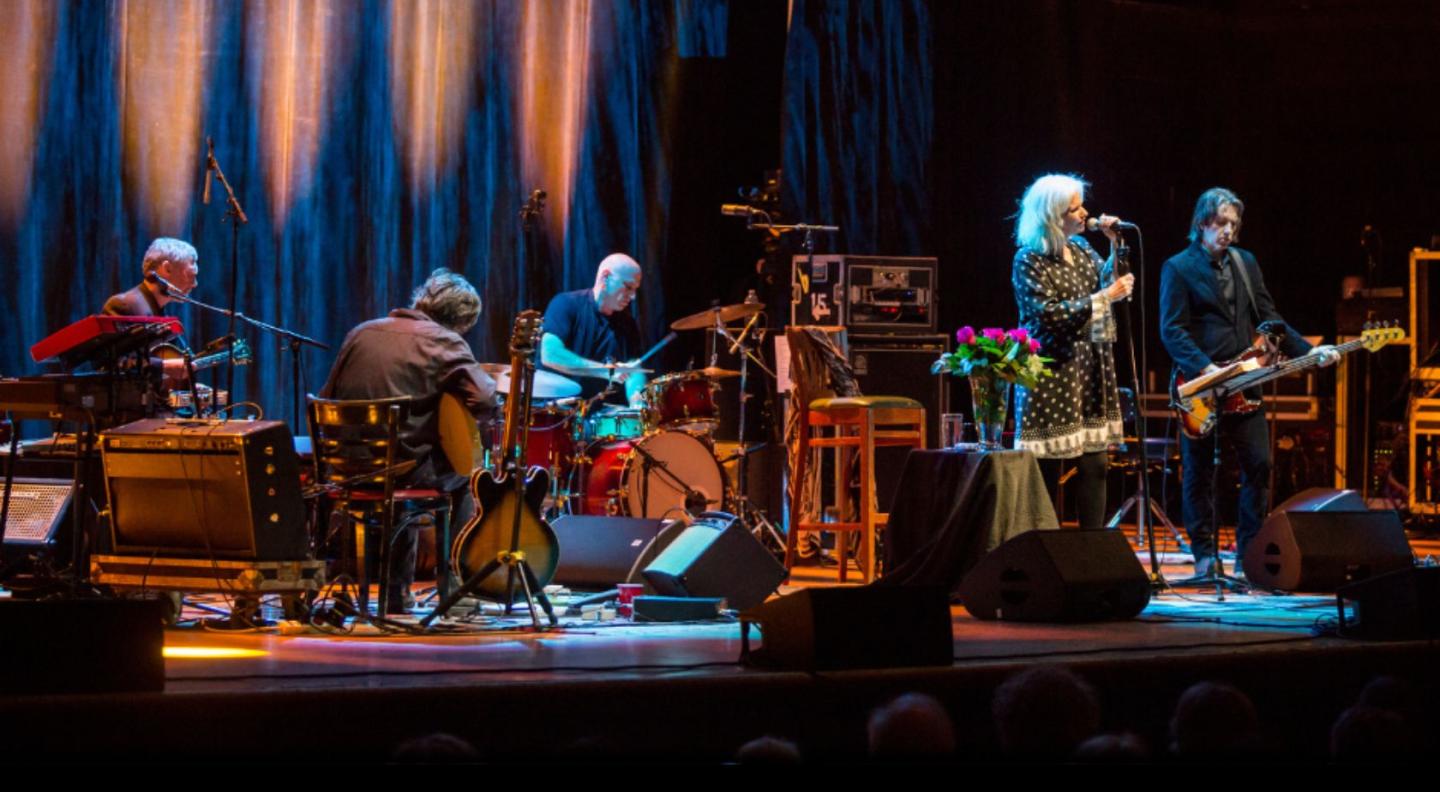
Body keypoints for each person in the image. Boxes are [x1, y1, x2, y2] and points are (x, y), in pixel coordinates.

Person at [1159, 188, 1337, 577]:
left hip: (1245, 383)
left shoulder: (1246, 263)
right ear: (1202, 223)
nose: (1229, 230)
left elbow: (1270, 318)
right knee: (1200, 473)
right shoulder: (1178, 267)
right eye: (1222, 223)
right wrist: (1205, 368)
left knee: (1259, 464)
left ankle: (1249, 553)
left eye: (1234, 224)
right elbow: (1172, 330)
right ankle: (1205, 556)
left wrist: (1310, 352)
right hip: (1201, 386)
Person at [321, 268, 498, 611]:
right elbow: (485, 400)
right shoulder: (444, 341)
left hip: (344, 467)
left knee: (409, 456)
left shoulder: (362, 332)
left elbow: (329, 395)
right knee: (466, 477)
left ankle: (395, 592)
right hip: (401, 471)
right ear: (460, 322)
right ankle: (454, 586)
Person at [1010, 174, 1133, 530]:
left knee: (1096, 464)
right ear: (1052, 216)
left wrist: (1115, 245)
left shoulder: (1080, 248)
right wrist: (1104, 297)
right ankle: (1045, 548)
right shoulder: (1029, 259)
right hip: (1052, 372)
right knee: (1048, 470)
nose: (1084, 214)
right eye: (1074, 209)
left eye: (1081, 206)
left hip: (1088, 368)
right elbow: (1047, 315)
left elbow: (1110, 282)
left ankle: (1090, 548)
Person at [539, 253, 647, 405]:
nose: (633, 296)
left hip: (601, 411)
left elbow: (633, 370)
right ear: (605, 277)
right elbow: (550, 354)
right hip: (559, 409)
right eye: (628, 287)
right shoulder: (565, 304)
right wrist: (606, 371)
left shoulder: (628, 323)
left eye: (635, 289)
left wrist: (638, 402)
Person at [103, 237, 200, 318]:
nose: (195, 284)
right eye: (190, 276)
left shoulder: (160, 311)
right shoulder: (123, 306)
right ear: (167, 269)